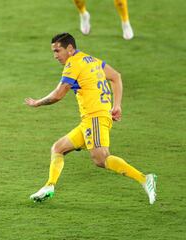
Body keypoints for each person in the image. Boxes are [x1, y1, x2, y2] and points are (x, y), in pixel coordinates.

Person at [25, 33, 156, 204]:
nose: (55, 56)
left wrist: (37, 103)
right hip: (92, 119)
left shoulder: (73, 64)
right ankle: (49, 186)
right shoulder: (91, 60)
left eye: (58, 51)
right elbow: (116, 76)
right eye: (53, 52)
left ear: (70, 49)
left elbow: (58, 94)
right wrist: (117, 105)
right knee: (58, 148)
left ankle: (145, 179)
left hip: (95, 118)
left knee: (101, 159)